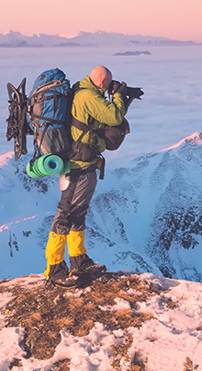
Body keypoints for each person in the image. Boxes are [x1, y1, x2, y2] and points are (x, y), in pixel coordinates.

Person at [43, 65, 127, 287]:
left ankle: (79, 259)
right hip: (77, 166)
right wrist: (118, 97)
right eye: (109, 83)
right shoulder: (87, 95)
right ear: (101, 81)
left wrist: (124, 97)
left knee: (78, 214)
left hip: (85, 164)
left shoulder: (87, 92)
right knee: (65, 215)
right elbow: (114, 116)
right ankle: (54, 268)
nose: (110, 87)